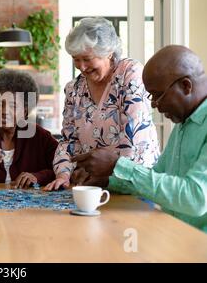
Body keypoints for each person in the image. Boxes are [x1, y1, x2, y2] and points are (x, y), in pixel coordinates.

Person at [71, 45, 207, 232]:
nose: (153, 104)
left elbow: (196, 198)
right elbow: (156, 178)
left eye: (158, 95)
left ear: (186, 86)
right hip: (174, 235)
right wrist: (107, 181)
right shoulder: (184, 123)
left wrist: (118, 165)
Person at [44, 17, 160, 191]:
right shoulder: (74, 89)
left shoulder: (130, 74)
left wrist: (104, 176)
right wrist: (63, 174)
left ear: (109, 52)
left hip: (134, 182)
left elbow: (134, 139)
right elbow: (69, 141)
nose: (81, 67)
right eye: (76, 59)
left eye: (87, 59)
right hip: (93, 184)